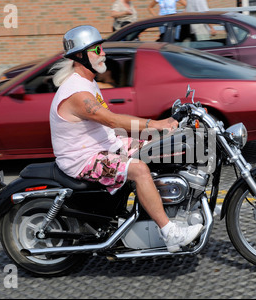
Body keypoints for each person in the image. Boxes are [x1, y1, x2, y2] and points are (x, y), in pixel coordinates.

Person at [50, 25, 203, 252]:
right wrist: (157, 124)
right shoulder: (77, 94)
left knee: (159, 147)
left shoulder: (87, 82)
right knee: (140, 169)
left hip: (105, 145)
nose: (103, 53)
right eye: (97, 49)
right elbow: (112, 121)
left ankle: (187, 204)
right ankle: (170, 233)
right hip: (83, 158)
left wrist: (162, 130)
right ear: (80, 56)